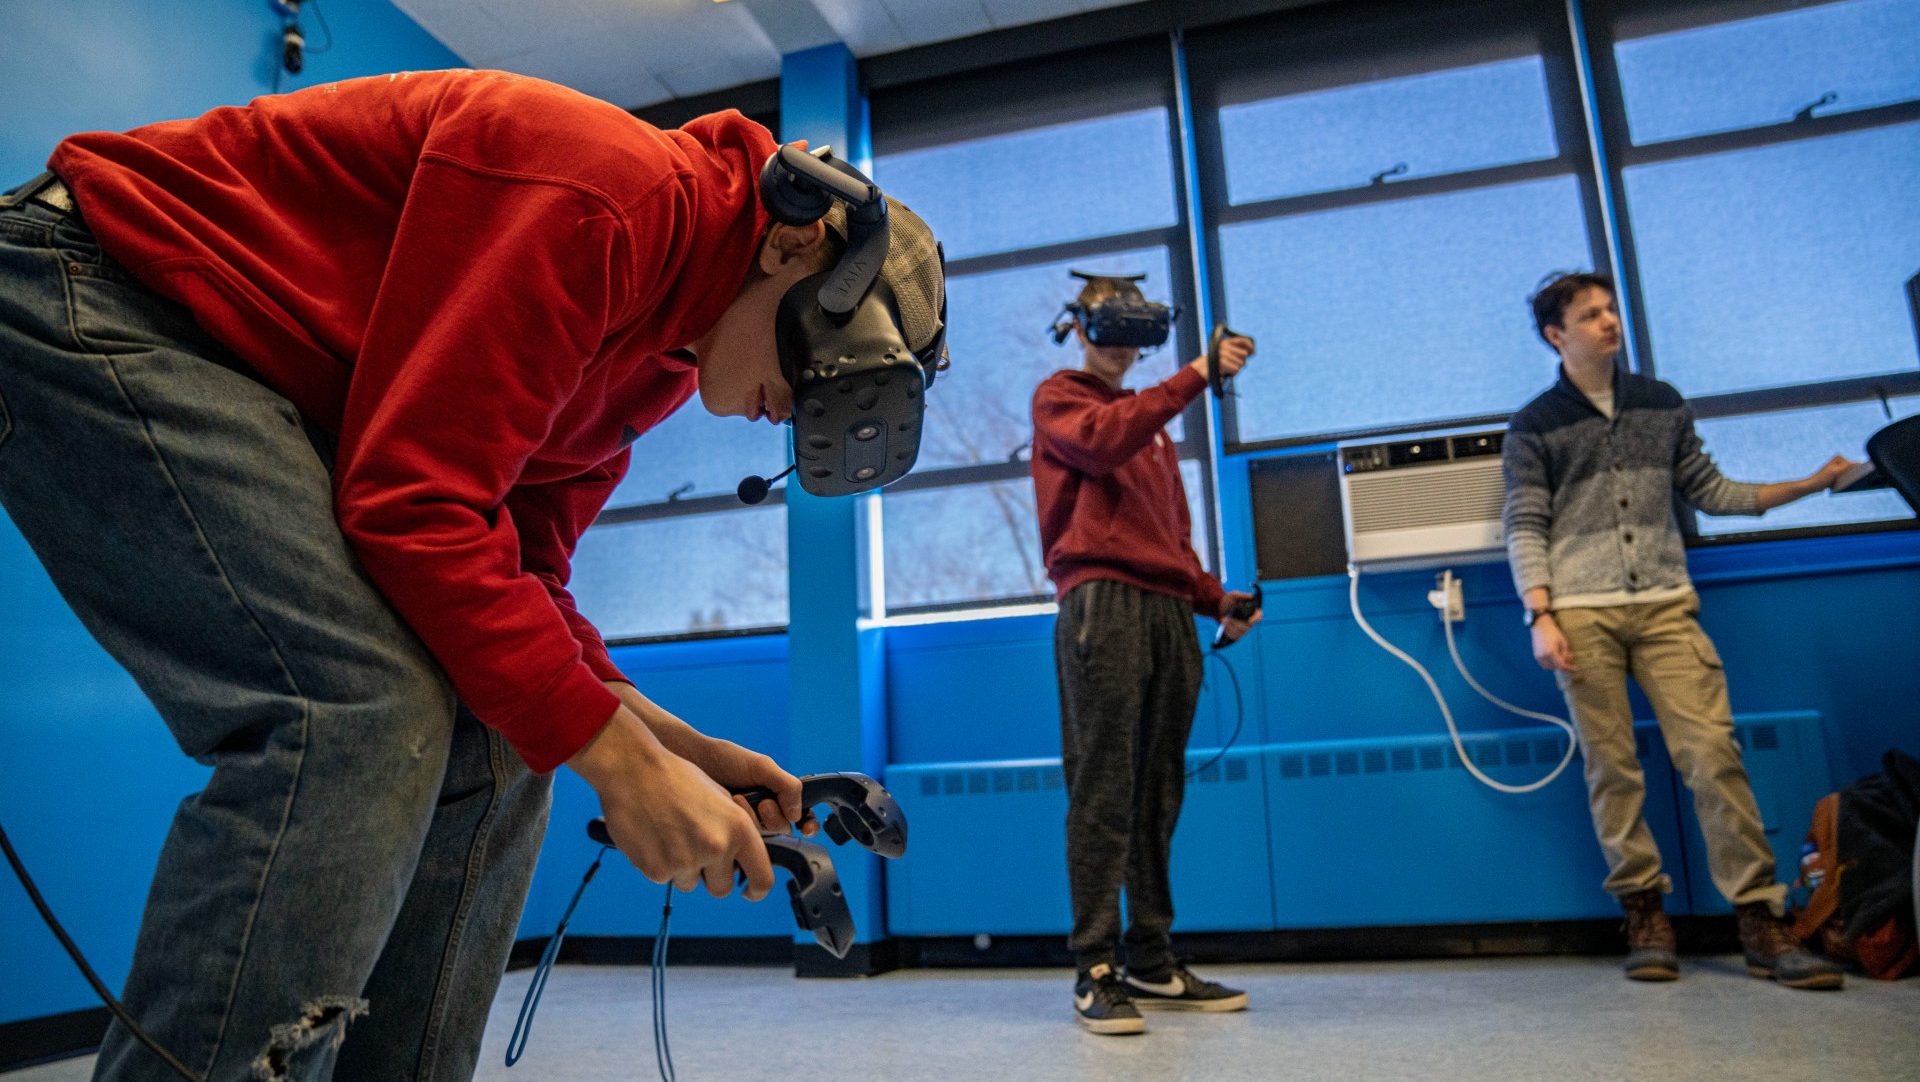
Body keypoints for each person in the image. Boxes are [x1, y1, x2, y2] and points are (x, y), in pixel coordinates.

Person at [0, 69, 946, 1079]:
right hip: (98, 282)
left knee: (505, 739)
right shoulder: (606, 198)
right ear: (794, 240)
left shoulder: (661, 351)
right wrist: (621, 769)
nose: (790, 415)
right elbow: (413, 504)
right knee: (358, 708)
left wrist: (675, 746)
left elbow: (522, 568)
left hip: (253, 370)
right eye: (811, 375)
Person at [1502, 270, 1853, 991]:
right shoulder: (1534, 424)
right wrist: (1541, 613)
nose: (1608, 322)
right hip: (1580, 612)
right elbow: (1525, 523)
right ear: (1555, 335)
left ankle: (1760, 919)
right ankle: (1644, 914)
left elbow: (1715, 492)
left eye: (1610, 309)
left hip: (1665, 605)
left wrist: (1812, 483)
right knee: (1612, 769)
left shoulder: (1661, 404)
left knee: (1712, 756)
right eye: (1590, 315)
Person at [1028, 272, 1261, 1035]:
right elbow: (1100, 445)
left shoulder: (1152, 431)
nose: (1126, 343)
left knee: (1158, 792)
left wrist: (1213, 598)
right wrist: (1196, 373)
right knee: (1103, 789)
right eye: (1113, 324)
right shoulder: (1063, 399)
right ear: (1084, 327)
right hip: (1103, 606)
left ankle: (1152, 960)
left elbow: (1169, 543)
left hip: (1166, 613)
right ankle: (1093, 964)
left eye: (1139, 328)